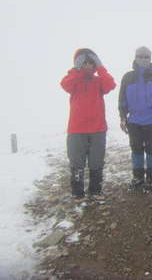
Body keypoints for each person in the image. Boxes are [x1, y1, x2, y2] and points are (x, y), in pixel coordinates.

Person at [61, 48, 116, 202]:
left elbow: (111, 84)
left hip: (98, 129)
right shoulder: (73, 81)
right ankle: (77, 193)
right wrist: (76, 69)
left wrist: (100, 67)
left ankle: (95, 190)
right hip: (76, 130)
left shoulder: (99, 81)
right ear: (78, 64)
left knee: (97, 161)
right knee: (77, 162)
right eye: (83, 63)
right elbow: (65, 85)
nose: (87, 66)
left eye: (90, 63)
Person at [118, 46, 152, 191]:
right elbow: (122, 99)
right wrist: (122, 116)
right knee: (136, 150)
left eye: (146, 57)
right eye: (141, 56)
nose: (143, 59)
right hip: (134, 121)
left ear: (150, 59)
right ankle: (138, 177)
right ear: (135, 57)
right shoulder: (128, 77)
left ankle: (151, 178)